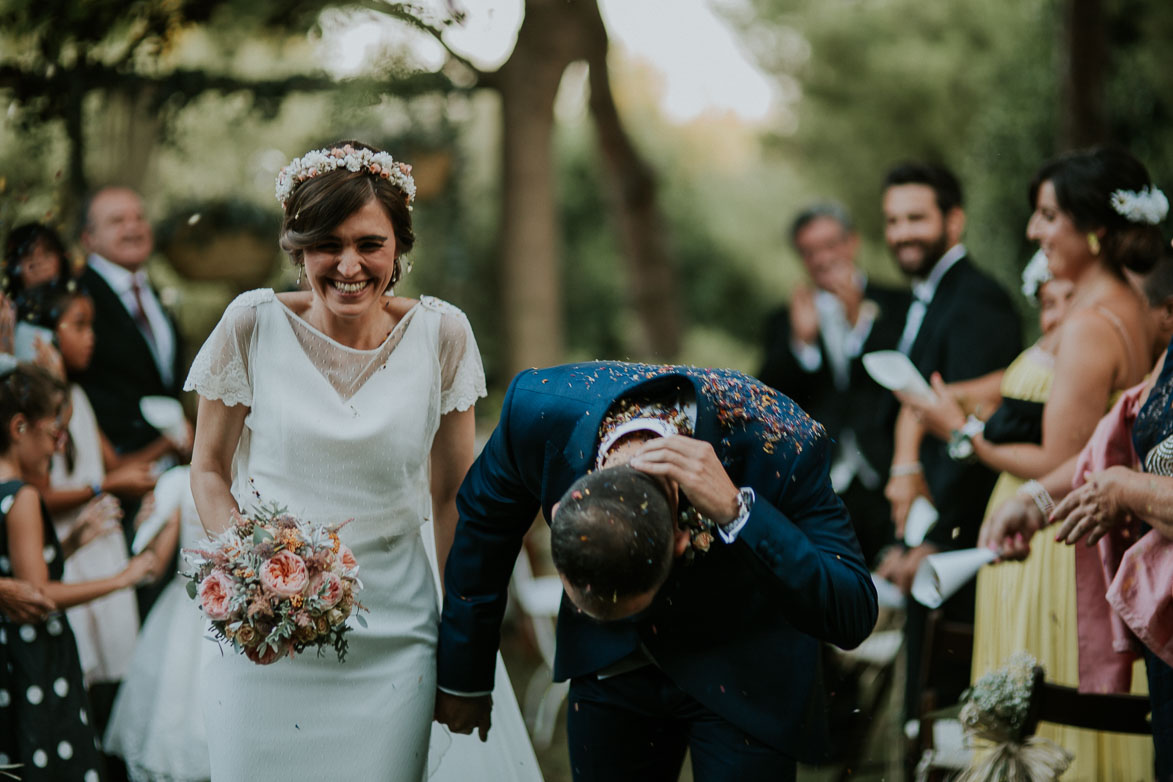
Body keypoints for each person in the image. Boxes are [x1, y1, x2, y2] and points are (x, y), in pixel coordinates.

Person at [186, 141, 539, 781]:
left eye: (370, 244)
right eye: (328, 243)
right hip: (266, 636)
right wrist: (251, 572)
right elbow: (208, 469)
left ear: (399, 249)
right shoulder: (250, 324)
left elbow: (452, 499)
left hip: (394, 638)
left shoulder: (443, 335)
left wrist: (464, 649)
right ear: (299, 248)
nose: (349, 265)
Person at [434, 361, 878, 781]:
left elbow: (852, 610)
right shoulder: (536, 411)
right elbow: (481, 534)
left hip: (743, 663)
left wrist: (737, 511)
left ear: (682, 541)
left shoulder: (781, 438)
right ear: (561, 507)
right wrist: (464, 679)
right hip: (608, 669)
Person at [982, 239, 1173, 780]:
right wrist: (1037, 500)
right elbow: (1111, 447)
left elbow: (1120, 474)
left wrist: (1127, 492)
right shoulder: (1168, 362)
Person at [871, 161, 1022, 721]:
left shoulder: (978, 301)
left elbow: (974, 437)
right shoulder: (925, 298)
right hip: (926, 534)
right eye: (892, 220)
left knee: (948, 711)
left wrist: (936, 539)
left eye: (916, 218)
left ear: (953, 222)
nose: (901, 232)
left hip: (961, 542)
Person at [19, 283, 163, 750]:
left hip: (101, 541)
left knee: (112, 670)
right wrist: (106, 488)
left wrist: (173, 446)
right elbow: (36, 493)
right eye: (78, 325)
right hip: (69, 545)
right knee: (80, 665)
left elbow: (111, 465)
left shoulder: (79, 397)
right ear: (43, 336)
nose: (91, 337)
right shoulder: (39, 408)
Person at [0, 362, 158, 781]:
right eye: (54, 433)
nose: (57, 448)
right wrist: (122, 577)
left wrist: (71, 542)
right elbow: (38, 593)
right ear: (19, 428)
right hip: (34, 657)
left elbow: (18, 568)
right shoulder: (23, 497)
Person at [759, 202, 909, 565]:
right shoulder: (782, 321)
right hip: (826, 482)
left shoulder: (898, 304)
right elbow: (767, 400)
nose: (822, 258)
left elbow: (903, 377)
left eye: (831, 245)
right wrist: (804, 344)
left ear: (852, 242)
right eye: (810, 251)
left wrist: (860, 323)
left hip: (890, 473)